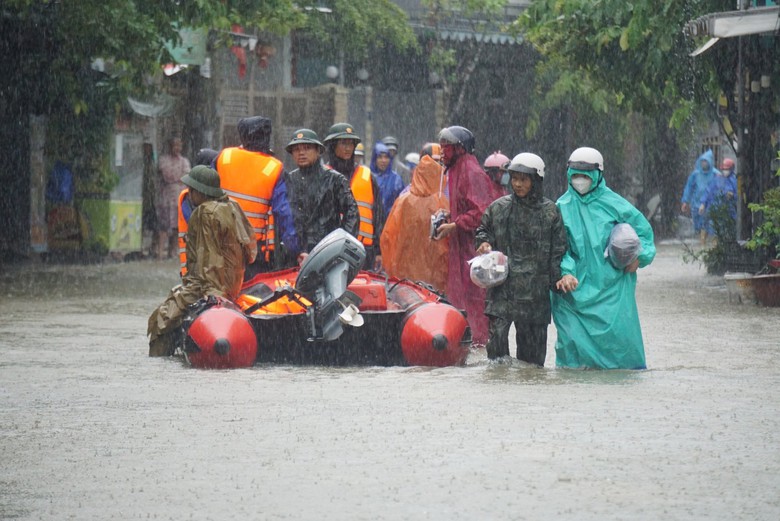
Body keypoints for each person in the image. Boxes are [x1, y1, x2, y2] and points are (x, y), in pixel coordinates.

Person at [551, 147, 656, 370]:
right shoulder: (560, 208)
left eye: (586, 175)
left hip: (612, 287)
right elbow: (558, 249)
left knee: (620, 350)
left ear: (598, 175)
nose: (580, 180)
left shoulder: (616, 205)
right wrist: (565, 271)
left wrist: (640, 257)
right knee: (573, 357)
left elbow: (644, 236)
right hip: (573, 290)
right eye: (575, 174)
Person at [148, 166, 257, 357]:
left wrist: (213, 294)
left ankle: (160, 359)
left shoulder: (206, 213)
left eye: (191, 189)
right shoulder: (232, 206)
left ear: (200, 191)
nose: (189, 194)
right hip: (232, 284)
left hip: (211, 284)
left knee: (162, 319)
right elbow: (250, 249)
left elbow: (210, 256)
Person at [475, 153, 569, 365]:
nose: (517, 184)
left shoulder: (550, 212)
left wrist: (558, 281)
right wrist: (483, 243)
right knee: (496, 359)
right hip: (502, 290)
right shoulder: (499, 208)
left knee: (532, 365)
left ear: (536, 181)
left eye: (523, 179)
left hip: (534, 295)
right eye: (514, 178)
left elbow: (558, 251)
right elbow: (483, 230)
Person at [433, 125, 497, 346]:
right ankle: (463, 340)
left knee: (475, 297)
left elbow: (481, 211)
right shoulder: (456, 169)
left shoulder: (471, 171)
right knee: (460, 295)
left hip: (473, 248)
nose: (443, 152)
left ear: (460, 148)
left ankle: (478, 342)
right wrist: (450, 216)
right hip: (460, 247)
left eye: (447, 147)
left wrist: (455, 225)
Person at [215, 115, 298, 277]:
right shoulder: (274, 167)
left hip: (219, 241)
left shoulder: (224, 157)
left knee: (220, 295)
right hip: (252, 250)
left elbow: (204, 194)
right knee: (250, 296)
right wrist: (296, 248)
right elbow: (284, 213)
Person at [283, 128, 359, 257]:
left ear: (318, 151)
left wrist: (341, 245)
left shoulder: (334, 179)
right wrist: (295, 249)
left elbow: (352, 213)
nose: (301, 153)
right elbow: (286, 218)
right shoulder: (289, 180)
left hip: (328, 252)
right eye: (296, 150)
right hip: (296, 254)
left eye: (307, 148)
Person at [381, 153, 450, 293]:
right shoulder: (441, 203)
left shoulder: (403, 201)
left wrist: (391, 266)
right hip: (433, 272)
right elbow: (447, 243)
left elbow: (388, 237)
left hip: (403, 270)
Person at [323, 123, 384, 271]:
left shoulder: (367, 176)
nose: (348, 148)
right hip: (330, 249)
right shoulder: (323, 176)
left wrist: (379, 251)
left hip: (364, 250)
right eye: (343, 143)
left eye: (351, 143)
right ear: (332, 145)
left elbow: (379, 216)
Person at [156, 136, 190, 259]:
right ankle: (160, 253)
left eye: (179, 145)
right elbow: (167, 174)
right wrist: (178, 178)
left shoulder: (184, 161)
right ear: (170, 146)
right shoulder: (163, 160)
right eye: (175, 145)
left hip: (179, 198)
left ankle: (173, 252)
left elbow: (186, 176)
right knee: (163, 226)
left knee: (177, 227)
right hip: (166, 197)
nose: (177, 148)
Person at [681, 149, 719, 247]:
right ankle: (703, 244)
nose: (704, 163)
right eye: (702, 161)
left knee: (711, 226)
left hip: (711, 205)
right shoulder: (696, 174)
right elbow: (688, 187)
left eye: (706, 161)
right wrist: (685, 201)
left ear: (710, 162)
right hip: (696, 205)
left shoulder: (716, 174)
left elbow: (721, 188)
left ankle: (709, 245)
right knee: (699, 226)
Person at [699, 158, 738, 239]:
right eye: (724, 169)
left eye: (727, 169)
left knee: (721, 231)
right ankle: (703, 245)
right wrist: (703, 204)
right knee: (705, 227)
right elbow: (708, 191)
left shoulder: (735, 181)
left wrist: (732, 195)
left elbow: (739, 196)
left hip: (728, 210)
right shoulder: (717, 179)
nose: (725, 171)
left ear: (731, 169)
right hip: (713, 208)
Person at [370, 141, 405, 217]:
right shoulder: (368, 177)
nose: (383, 160)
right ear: (374, 159)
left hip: (390, 222)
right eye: (380, 157)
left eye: (386, 157)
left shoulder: (396, 180)